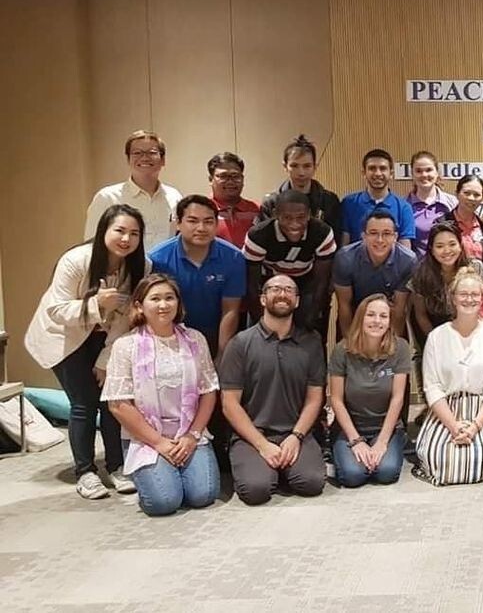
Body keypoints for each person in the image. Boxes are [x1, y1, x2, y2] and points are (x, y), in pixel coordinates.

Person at [26, 205, 147, 499]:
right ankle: (86, 472)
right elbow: (56, 309)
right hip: (63, 337)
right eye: (119, 230)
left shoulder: (141, 265)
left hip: (105, 337)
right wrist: (97, 305)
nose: (126, 239)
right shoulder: (76, 260)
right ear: (103, 230)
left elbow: (126, 318)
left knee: (112, 399)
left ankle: (117, 467)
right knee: (84, 402)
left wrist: (106, 360)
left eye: (134, 233)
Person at [102, 274, 220, 516]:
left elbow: (208, 392)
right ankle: (155, 476)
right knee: (164, 502)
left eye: (169, 298)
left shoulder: (196, 339)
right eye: (155, 299)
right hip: (146, 437)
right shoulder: (126, 346)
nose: (163, 305)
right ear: (139, 306)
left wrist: (192, 435)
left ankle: (174, 471)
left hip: (189, 432)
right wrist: (159, 443)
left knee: (203, 496)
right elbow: (118, 404)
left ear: (178, 303)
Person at [218, 275, 327, 505]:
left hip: (296, 433)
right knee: (256, 491)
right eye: (275, 289)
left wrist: (296, 437)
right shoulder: (240, 344)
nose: (282, 294)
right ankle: (267, 469)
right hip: (252, 436)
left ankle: (285, 468)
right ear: (262, 299)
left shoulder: (312, 342)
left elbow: (314, 398)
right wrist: (262, 445)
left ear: (297, 301)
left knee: (311, 483)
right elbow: (229, 404)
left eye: (289, 290)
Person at [415, 267, 483, 485]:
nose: (469, 299)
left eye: (474, 295)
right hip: (447, 410)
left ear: (482, 298)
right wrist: (453, 425)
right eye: (463, 294)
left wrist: (475, 426)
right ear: (453, 297)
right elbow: (432, 387)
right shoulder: (436, 337)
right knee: (441, 460)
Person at [327, 293, 410, 488]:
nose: (377, 321)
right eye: (371, 315)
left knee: (386, 473)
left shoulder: (401, 348)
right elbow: (336, 400)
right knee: (353, 476)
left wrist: (382, 442)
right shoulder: (342, 350)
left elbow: (398, 398)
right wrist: (356, 441)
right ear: (360, 318)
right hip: (352, 427)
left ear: (389, 321)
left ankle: (392, 446)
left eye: (383, 316)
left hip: (386, 428)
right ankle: (337, 452)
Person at [149, 196, 245, 357]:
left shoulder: (233, 257)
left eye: (208, 221)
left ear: (216, 224)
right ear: (178, 222)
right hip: (170, 331)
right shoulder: (157, 259)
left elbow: (230, 310)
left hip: (216, 331)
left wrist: (222, 355)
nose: (201, 228)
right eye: (193, 221)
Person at [243, 190, 336, 336]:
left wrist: (312, 317)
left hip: (306, 284)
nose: (295, 224)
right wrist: (260, 318)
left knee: (307, 333)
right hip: (268, 282)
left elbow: (321, 281)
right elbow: (251, 284)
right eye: (287, 218)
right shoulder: (258, 235)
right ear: (275, 214)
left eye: (301, 217)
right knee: (260, 335)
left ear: (309, 214)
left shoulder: (322, 233)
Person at [84, 130, 181, 249]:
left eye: (152, 152)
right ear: (128, 159)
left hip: (165, 267)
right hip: (124, 267)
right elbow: (92, 244)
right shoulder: (107, 197)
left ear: (163, 160)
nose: (145, 158)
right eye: (137, 153)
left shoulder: (174, 196)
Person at [333, 210, 417, 339]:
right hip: (355, 317)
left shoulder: (407, 261)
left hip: (388, 318)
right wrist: (348, 342)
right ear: (363, 236)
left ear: (395, 237)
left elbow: (399, 309)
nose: (379, 240)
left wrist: (393, 345)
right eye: (373, 233)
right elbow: (344, 306)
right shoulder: (345, 258)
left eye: (386, 234)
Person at [258, 135, 344, 246]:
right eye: (294, 166)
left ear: (315, 167)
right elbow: (265, 241)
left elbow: (334, 241)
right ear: (285, 167)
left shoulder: (329, 200)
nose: (301, 172)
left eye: (307, 166)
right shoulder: (271, 202)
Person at [409, 221, 483, 342]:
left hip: (473, 334)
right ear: (431, 249)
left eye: (452, 244)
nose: (447, 251)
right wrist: (438, 341)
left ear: (460, 246)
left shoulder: (476, 268)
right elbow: (421, 315)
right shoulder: (421, 273)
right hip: (435, 335)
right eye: (440, 246)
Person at [341, 148, 416, 248]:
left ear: (391, 174)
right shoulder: (349, 203)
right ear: (364, 173)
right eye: (372, 168)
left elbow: (405, 251)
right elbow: (344, 247)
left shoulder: (404, 207)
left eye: (383, 168)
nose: (377, 173)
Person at [407, 150, 458, 258]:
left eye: (429, 170)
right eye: (418, 171)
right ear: (412, 174)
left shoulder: (453, 203)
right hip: (418, 271)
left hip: (448, 268)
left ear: (437, 172)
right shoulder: (405, 206)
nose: (424, 175)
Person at [207, 151, 260, 249]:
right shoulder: (202, 211)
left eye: (235, 176)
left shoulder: (257, 210)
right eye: (223, 176)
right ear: (211, 179)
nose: (230, 181)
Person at [437, 174, 483, 262]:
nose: (471, 198)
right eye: (466, 193)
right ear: (457, 194)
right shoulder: (441, 224)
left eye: (477, 195)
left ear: (482, 198)